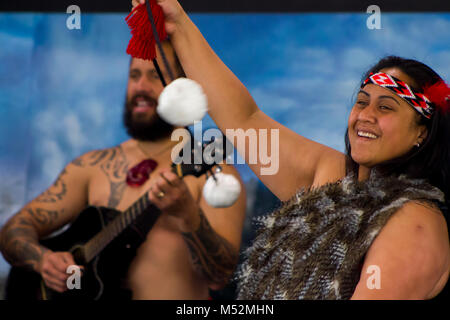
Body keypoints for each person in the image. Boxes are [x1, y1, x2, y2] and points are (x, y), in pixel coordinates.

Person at [132, 0, 450, 299]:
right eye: (362, 101)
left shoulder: (416, 220)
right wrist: (177, 22)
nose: (365, 115)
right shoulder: (333, 178)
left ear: (421, 133)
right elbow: (244, 121)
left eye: (386, 107)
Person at [0, 40, 247, 300]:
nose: (141, 87)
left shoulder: (216, 176)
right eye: (134, 75)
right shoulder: (91, 167)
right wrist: (44, 261)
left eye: (155, 75)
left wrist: (189, 217)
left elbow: (220, 277)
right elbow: (14, 230)